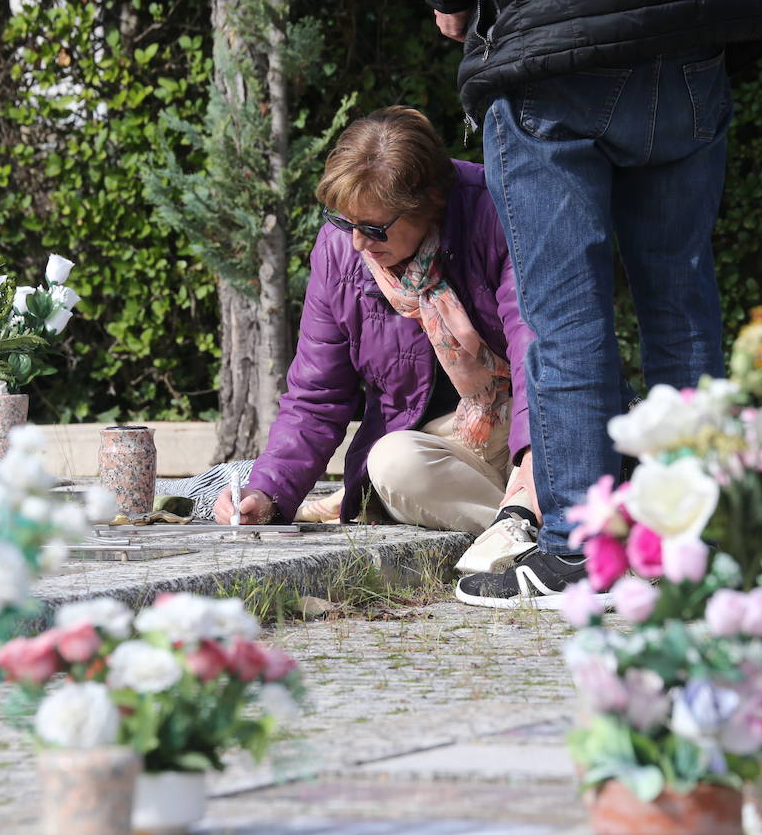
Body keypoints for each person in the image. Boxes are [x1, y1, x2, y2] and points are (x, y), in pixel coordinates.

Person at [413, 0, 762, 607]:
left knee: (565, 312)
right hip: (696, 20)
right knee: (681, 302)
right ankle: (699, 540)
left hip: (554, 28)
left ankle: (581, 551)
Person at [213, 106, 540, 574]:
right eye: (345, 223)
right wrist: (269, 492)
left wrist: (534, 460)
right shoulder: (338, 250)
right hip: (443, 448)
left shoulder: (499, 212)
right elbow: (316, 396)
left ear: (430, 204)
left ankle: (544, 519)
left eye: (373, 228)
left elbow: (539, 355)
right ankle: (548, 536)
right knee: (392, 463)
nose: (358, 245)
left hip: (526, 426)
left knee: (556, 449)